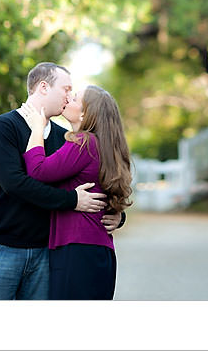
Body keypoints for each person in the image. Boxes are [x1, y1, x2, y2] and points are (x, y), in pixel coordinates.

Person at [0, 62, 122, 300]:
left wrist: (117, 215)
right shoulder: (3, 127)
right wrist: (72, 200)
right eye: (66, 89)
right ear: (43, 88)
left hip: (46, 252)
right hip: (1, 247)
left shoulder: (67, 138)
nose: (70, 96)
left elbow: (99, 180)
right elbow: (15, 184)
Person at [22, 85, 132, 298]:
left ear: (84, 112)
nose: (67, 98)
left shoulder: (84, 142)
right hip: (100, 251)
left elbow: (37, 171)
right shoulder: (105, 145)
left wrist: (37, 128)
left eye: (74, 98)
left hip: (77, 250)